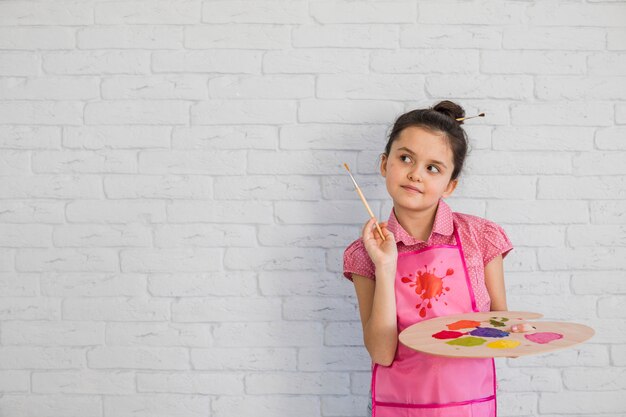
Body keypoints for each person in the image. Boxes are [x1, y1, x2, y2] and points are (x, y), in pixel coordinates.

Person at [342, 100, 513, 417]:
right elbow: (381, 352)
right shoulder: (363, 254)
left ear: (450, 185)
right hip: (399, 406)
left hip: (469, 406)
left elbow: (503, 328)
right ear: (384, 164)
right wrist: (385, 264)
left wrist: (516, 337)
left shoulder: (480, 237)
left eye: (432, 167)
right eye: (405, 158)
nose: (415, 174)